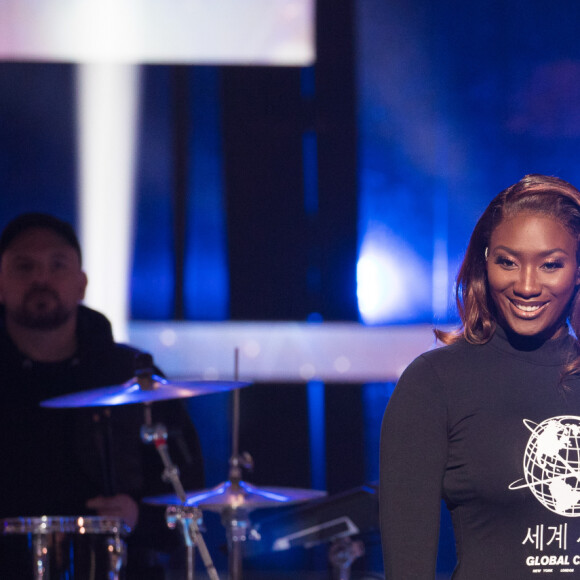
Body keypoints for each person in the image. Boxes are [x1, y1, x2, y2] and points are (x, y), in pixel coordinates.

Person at [379, 175, 580, 579]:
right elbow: (408, 566)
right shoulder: (435, 383)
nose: (526, 285)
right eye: (507, 261)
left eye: (550, 265)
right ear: (484, 261)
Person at [0, 212, 205, 579]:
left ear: (81, 284)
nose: (41, 278)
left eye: (57, 264)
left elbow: (189, 497)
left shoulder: (130, 376)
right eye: (24, 266)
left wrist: (138, 516)